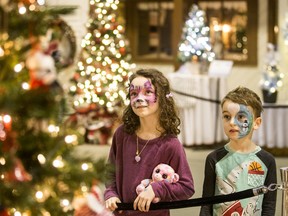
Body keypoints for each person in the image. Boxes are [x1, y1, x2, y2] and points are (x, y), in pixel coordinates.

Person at [104, 68, 195, 215]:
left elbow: (187, 187)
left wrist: (156, 189)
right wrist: (111, 194)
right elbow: (110, 172)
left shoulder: (170, 144)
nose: (139, 98)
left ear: (162, 97)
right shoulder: (121, 134)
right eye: (134, 93)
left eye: (147, 92)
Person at [200, 86, 277, 216]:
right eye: (226, 116)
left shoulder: (267, 160)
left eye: (241, 116)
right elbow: (206, 203)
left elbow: (269, 205)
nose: (232, 122)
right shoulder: (214, 159)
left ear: (256, 123)